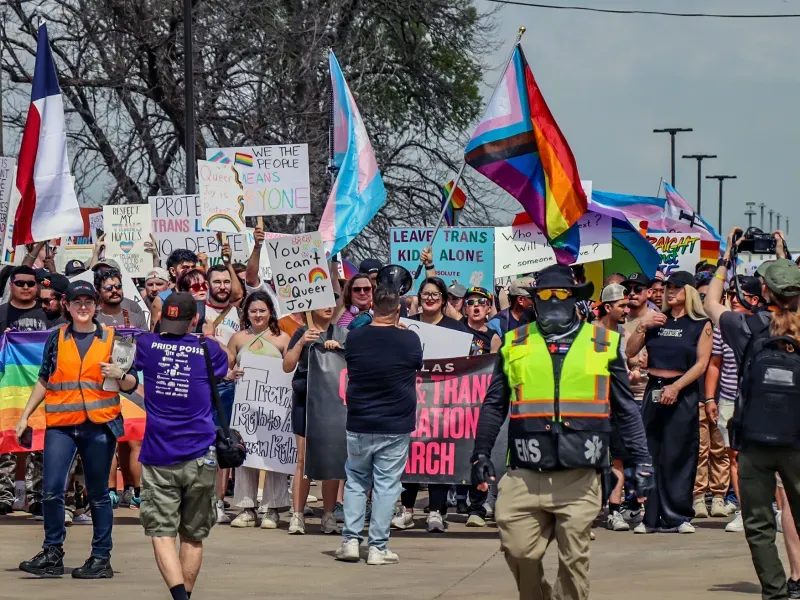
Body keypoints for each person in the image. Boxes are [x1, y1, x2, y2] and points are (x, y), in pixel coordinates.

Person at [471, 265, 652, 599]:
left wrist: (642, 461)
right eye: (545, 294)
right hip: (525, 472)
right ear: (534, 300)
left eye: (562, 294)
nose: (553, 300)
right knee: (519, 551)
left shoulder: (604, 343)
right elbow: (494, 404)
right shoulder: (515, 343)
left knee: (574, 563)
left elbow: (627, 409)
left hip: (580, 474)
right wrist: (481, 452)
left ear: (574, 298)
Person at [15, 281, 138, 579]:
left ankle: (100, 558)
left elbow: (131, 384)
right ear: (66, 306)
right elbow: (45, 379)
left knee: (98, 494)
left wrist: (120, 374)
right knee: (52, 490)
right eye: (76, 302)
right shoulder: (56, 337)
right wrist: (24, 416)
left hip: (99, 426)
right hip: (61, 426)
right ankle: (52, 552)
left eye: (88, 301)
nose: (83, 307)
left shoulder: (114, 339)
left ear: (95, 305)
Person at [705, 229, 800, 600]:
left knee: (759, 525)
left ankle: (775, 591)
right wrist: (783, 254)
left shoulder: (745, 326)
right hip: (797, 440)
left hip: (755, 441)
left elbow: (711, 301)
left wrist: (726, 256)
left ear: (763, 291)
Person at [134, 293, 230, 600]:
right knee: (193, 536)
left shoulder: (147, 345)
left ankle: (180, 598)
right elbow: (225, 364)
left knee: (162, 534)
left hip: (160, 452)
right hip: (201, 452)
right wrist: (210, 332)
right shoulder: (209, 348)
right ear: (194, 321)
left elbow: (122, 364)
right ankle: (184, 597)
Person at [334, 287, 423, 565]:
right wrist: (403, 331)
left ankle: (350, 541)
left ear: (372, 305)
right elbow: (416, 365)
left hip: (360, 420)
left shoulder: (356, 336)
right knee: (386, 485)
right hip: (395, 423)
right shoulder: (410, 339)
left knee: (357, 481)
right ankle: (378, 547)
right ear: (398, 309)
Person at [626, 270, 712, 534]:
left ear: (689, 291)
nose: (670, 291)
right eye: (667, 287)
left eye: (676, 287)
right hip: (654, 390)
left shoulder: (701, 323)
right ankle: (650, 517)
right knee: (651, 453)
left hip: (683, 392)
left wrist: (676, 386)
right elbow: (630, 352)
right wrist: (642, 326)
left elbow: (702, 364)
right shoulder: (657, 321)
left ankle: (678, 516)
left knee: (680, 453)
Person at [398, 277, 467, 533]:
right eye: (425, 293)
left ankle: (437, 511)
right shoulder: (407, 326)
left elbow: (465, 362)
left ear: (443, 299)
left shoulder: (456, 329)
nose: (430, 298)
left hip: (442, 402)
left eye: (435, 294)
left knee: (438, 454)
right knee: (410, 454)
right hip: (411, 399)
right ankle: (406, 510)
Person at [227, 292, 291, 529]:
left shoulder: (283, 338)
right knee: (245, 455)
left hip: (275, 408)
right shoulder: (238, 338)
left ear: (270, 312)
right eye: (253, 310)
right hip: (245, 407)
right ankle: (246, 508)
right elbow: (226, 367)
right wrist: (230, 374)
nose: (257, 315)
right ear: (246, 313)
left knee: (272, 454)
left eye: (262, 310)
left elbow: (290, 369)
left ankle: (273, 509)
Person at [282, 306, 348, 535]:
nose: (329, 307)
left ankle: (328, 515)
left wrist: (339, 350)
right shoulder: (302, 332)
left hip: (333, 403)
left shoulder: (342, 333)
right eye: (324, 303)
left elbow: (352, 363)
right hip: (305, 400)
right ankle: (297, 515)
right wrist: (301, 344)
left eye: (332, 303)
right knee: (303, 459)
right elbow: (287, 365)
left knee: (331, 458)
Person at [705, 276, 762, 533]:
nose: (731, 300)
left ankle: (779, 510)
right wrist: (710, 398)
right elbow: (714, 364)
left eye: (737, 295)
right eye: (728, 294)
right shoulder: (723, 327)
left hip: (761, 401)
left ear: (754, 299)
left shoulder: (770, 324)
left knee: (767, 457)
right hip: (729, 399)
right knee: (735, 458)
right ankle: (745, 511)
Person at [595, 283, 633, 531]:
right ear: (608, 307)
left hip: (617, 403)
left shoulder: (623, 333)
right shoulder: (590, 333)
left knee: (618, 458)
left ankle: (615, 511)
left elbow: (624, 366)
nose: (626, 310)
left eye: (628, 305)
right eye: (622, 305)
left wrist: (632, 373)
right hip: (593, 405)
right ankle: (589, 510)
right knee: (591, 460)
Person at [0, 265, 51, 331]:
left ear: (36, 286)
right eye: (19, 283)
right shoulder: (1, 312)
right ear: (11, 286)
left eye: (30, 284)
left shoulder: (48, 311)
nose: (25, 287)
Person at [462, 286, 501, 356]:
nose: (476, 305)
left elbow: (494, 364)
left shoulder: (494, 338)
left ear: (489, 309)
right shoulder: (457, 328)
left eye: (482, 301)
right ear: (466, 309)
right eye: (471, 302)